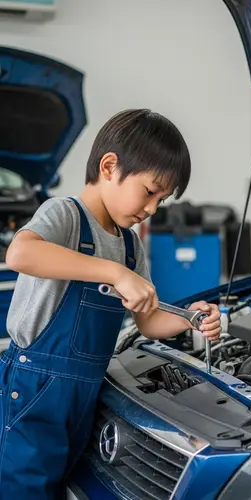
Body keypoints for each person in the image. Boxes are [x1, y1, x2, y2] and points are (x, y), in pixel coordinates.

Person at [0, 109, 221, 499]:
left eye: (162, 200)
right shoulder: (65, 215)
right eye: (151, 191)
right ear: (109, 166)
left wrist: (189, 319)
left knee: (65, 485)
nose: (153, 208)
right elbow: (21, 254)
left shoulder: (130, 246)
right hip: (35, 386)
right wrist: (112, 272)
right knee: (24, 489)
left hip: (84, 394)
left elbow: (149, 321)